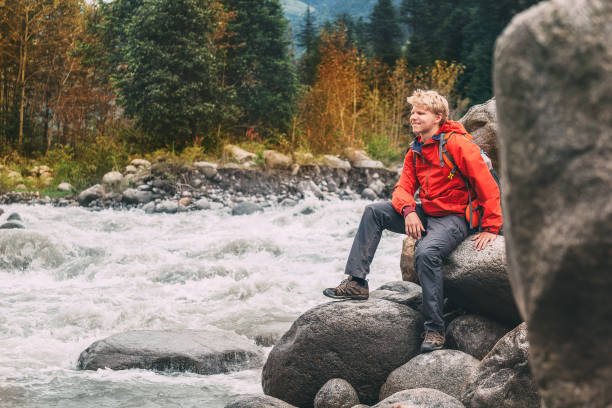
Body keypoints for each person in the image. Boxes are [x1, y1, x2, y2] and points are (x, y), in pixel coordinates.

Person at [323, 89, 503, 353]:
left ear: (438, 117)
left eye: (420, 113)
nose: (413, 117)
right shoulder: (416, 150)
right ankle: (357, 282)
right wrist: (408, 211)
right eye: (412, 112)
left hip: (455, 217)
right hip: (428, 212)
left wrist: (490, 228)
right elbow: (402, 189)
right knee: (375, 211)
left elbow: (487, 185)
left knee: (426, 253)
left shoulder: (458, 144)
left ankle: (434, 329)